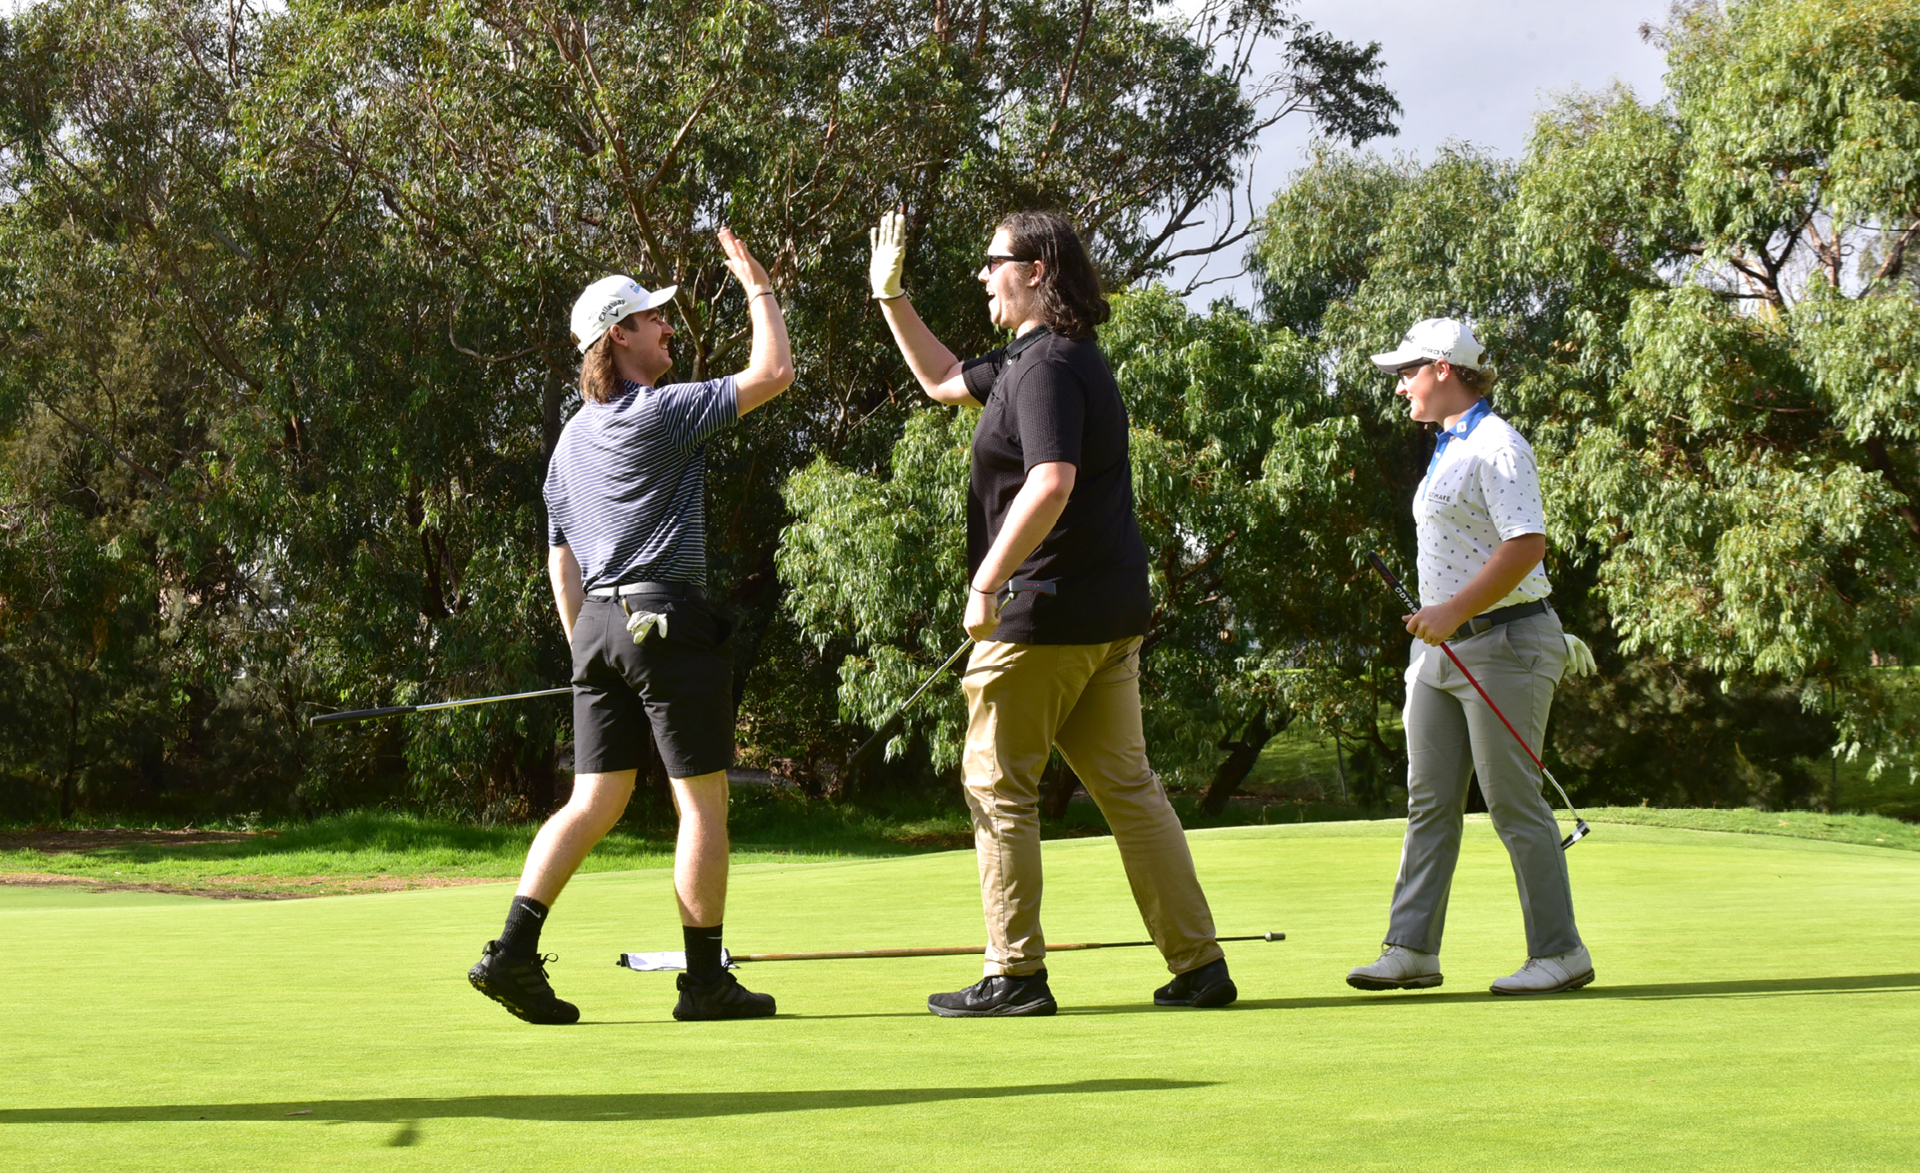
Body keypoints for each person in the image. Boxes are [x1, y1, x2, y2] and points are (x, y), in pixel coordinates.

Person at [867, 209, 1235, 1016]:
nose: (984, 275)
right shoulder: (1043, 359)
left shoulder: (1045, 372)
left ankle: (1015, 973)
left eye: (994, 261)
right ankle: (1199, 962)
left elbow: (1051, 479)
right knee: (1129, 786)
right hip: (1105, 617)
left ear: (1037, 271)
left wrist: (986, 582)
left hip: (1042, 613)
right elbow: (940, 380)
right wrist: (889, 297)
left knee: (997, 784)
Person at [468, 228, 794, 1024]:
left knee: (593, 799)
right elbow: (774, 373)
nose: (667, 328)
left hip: (602, 626)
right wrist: (758, 287)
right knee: (703, 803)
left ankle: (510, 951)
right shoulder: (661, 413)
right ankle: (704, 981)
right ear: (620, 334)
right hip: (667, 614)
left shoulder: (567, 444)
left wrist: (589, 645)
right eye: (654, 319)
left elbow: (561, 563)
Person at [1346, 317, 1596, 996]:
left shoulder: (1497, 445)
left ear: (1445, 370)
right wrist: (1445, 618)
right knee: (1429, 802)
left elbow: (1526, 545)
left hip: (1507, 641)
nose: (1401, 387)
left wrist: (1454, 609)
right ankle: (1410, 948)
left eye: (1408, 372)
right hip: (1444, 654)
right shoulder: (1449, 445)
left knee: (1513, 802)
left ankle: (1560, 951)